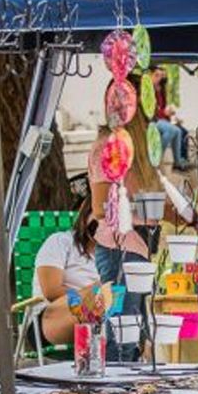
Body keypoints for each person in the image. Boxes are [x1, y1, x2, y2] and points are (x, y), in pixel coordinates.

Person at [89, 76, 172, 361]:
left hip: (140, 246)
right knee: (122, 334)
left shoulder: (144, 149)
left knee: (138, 333)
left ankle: (129, 393)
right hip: (118, 248)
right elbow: (100, 207)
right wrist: (141, 206)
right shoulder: (107, 147)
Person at [29, 199, 100, 346]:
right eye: (99, 216)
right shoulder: (60, 242)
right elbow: (52, 291)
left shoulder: (111, 256)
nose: (103, 223)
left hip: (96, 318)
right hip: (49, 320)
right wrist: (96, 293)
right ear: (85, 213)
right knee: (111, 290)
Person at [149, 66, 189, 170]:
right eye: (157, 75)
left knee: (179, 131)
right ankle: (157, 158)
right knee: (173, 130)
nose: (160, 78)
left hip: (161, 119)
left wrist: (171, 116)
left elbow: (162, 109)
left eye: (161, 76)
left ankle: (178, 162)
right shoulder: (149, 90)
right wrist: (165, 113)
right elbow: (151, 110)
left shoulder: (161, 90)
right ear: (150, 75)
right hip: (153, 120)